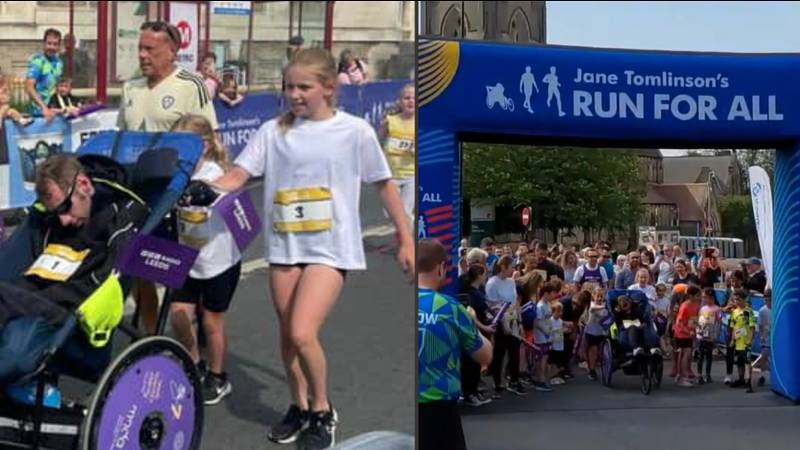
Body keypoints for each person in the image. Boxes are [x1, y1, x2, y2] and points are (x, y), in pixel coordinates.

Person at [209, 48, 414, 450]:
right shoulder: (273, 131)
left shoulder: (355, 131)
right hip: (285, 244)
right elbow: (237, 174)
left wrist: (406, 238)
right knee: (287, 336)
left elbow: (384, 185)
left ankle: (322, 409)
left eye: (304, 87)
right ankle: (298, 406)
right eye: (289, 87)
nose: (295, 94)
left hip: (330, 247)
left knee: (303, 332)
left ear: (329, 88)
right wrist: (203, 187)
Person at [0, 154, 148, 386]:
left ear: (84, 184)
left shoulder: (122, 215)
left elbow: (104, 284)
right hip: (30, 305)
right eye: (56, 213)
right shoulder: (51, 222)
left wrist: (29, 298)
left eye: (66, 208)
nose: (64, 220)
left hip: (71, 319)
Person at [117, 20, 218, 335]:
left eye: (151, 49)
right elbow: (122, 136)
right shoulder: (130, 87)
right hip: (138, 191)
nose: (143, 55)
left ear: (172, 51)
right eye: (140, 48)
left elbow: (210, 138)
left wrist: (210, 183)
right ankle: (150, 335)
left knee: (185, 272)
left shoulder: (191, 85)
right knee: (139, 264)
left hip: (177, 191)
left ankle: (195, 330)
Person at [168, 114, 241, 405]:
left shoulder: (213, 173)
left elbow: (222, 192)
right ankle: (195, 363)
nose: (180, 152)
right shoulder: (176, 172)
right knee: (179, 316)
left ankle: (218, 375)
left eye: (188, 145)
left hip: (218, 262)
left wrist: (204, 193)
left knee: (211, 323)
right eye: (176, 145)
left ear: (207, 146)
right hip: (188, 258)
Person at [418, 239, 492, 450]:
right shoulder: (450, 308)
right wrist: (472, 321)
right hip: (439, 410)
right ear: (441, 268)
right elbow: (485, 356)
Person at [379, 84, 415, 233]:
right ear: (400, 101)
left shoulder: (421, 122)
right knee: (390, 213)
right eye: (407, 98)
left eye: (414, 98)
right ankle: (403, 239)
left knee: (405, 213)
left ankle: (407, 245)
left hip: (411, 175)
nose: (410, 101)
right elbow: (380, 141)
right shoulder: (390, 120)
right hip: (391, 175)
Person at [458, 264, 495, 407]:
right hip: (473, 331)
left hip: (480, 330)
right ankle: (469, 393)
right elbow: (472, 316)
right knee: (471, 363)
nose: (486, 276)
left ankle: (473, 390)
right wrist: (484, 327)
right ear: (479, 275)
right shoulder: (470, 294)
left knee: (476, 363)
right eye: (485, 273)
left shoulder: (478, 291)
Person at [25, 28, 63, 120]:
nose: (52, 47)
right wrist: (44, 108)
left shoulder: (59, 62)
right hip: (39, 113)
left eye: (55, 44)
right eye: (49, 43)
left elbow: (57, 88)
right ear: (44, 44)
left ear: (59, 46)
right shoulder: (37, 61)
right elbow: (29, 87)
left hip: (54, 111)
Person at [726, 289, 756, 389]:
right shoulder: (734, 312)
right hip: (738, 342)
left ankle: (748, 381)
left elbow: (752, 327)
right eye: (735, 300)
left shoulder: (748, 312)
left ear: (744, 299)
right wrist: (732, 340)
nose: (736, 302)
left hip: (746, 342)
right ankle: (741, 379)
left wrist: (750, 340)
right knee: (739, 362)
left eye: (738, 300)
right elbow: (734, 327)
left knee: (747, 362)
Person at [673, 285, 701, 387]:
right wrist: (687, 331)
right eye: (697, 295)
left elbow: (694, 319)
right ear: (690, 296)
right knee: (685, 354)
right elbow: (679, 322)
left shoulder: (696, 305)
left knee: (688, 355)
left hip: (689, 333)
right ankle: (681, 377)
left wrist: (696, 328)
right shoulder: (684, 306)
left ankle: (684, 375)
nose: (699, 297)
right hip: (681, 334)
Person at [696, 287, 722, 384]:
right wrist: (697, 332)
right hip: (701, 335)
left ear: (711, 297)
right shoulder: (702, 308)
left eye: (705, 297)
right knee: (700, 355)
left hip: (710, 336)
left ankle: (708, 374)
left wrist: (716, 336)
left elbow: (719, 323)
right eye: (703, 297)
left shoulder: (717, 309)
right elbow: (698, 320)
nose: (704, 299)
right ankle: (699, 374)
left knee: (709, 356)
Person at [585, 287, 609, 381]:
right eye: (597, 296)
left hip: (602, 332)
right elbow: (594, 309)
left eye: (601, 296)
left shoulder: (605, 304)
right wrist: (606, 306)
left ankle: (598, 366)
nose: (599, 298)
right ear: (593, 296)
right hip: (592, 332)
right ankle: (591, 370)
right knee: (593, 351)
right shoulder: (592, 305)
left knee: (600, 352)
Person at [754, 288, 772, 388]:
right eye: (765, 297)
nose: (767, 300)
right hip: (766, 337)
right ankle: (762, 376)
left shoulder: (776, 308)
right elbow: (760, 325)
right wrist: (761, 336)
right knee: (764, 357)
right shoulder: (762, 310)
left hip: (775, 336)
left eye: (769, 297)